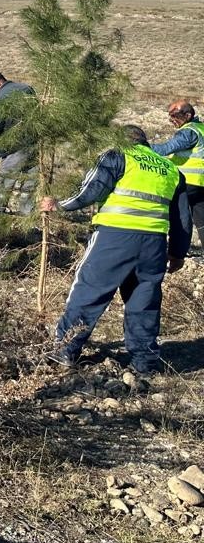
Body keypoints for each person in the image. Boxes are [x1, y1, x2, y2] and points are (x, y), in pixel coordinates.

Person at [41, 125, 190, 375]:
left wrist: (59, 204)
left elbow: (91, 190)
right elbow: (182, 218)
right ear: (145, 142)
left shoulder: (117, 154)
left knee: (89, 292)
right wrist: (177, 252)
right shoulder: (170, 169)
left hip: (115, 237)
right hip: (153, 244)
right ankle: (144, 363)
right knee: (144, 301)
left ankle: (63, 352)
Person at [150, 99, 204, 249]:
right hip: (200, 184)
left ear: (187, 115)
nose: (171, 120)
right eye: (169, 116)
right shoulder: (201, 129)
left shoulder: (189, 131)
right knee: (202, 222)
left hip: (188, 182)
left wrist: (141, 146)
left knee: (179, 218)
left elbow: (167, 148)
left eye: (174, 115)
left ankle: (177, 251)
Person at [0, 70, 38, 214]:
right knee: (30, 179)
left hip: (15, 146)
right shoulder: (27, 88)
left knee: (5, 178)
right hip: (34, 142)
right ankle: (27, 213)